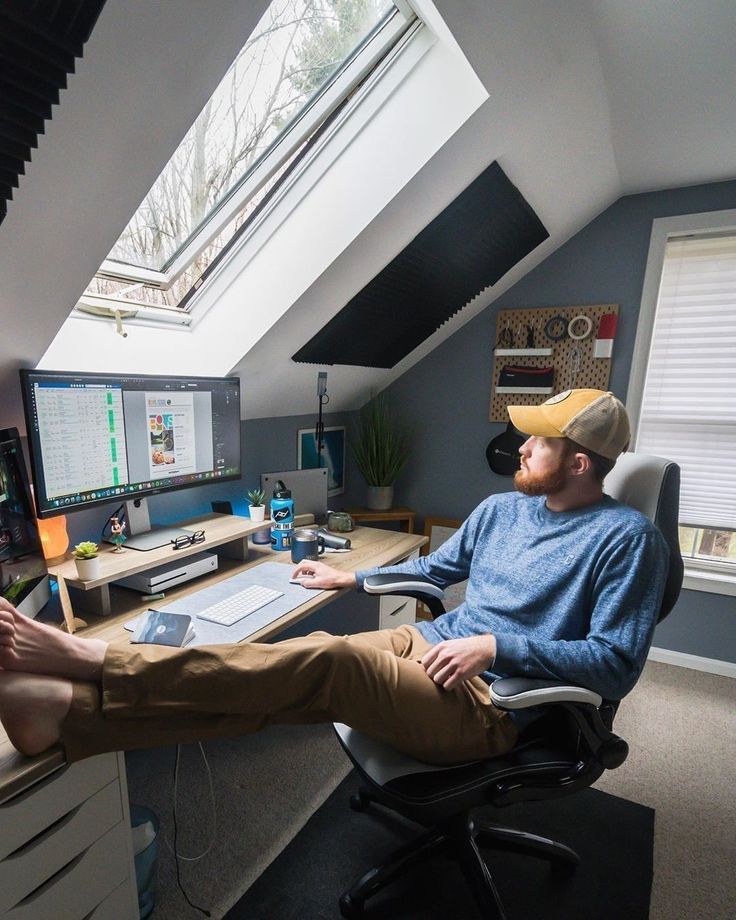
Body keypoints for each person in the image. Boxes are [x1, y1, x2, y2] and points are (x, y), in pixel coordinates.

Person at [0, 389, 668, 767]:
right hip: (434, 648)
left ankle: (98, 664)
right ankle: (68, 715)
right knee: (287, 667)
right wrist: (352, 582)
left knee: (325, 669)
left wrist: (499, 647)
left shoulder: (627, 540)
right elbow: (437, 568)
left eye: (540, 442)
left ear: (581, 463)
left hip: (497, 702)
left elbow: (614, 665)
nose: (520, 447)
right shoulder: (501, 511)